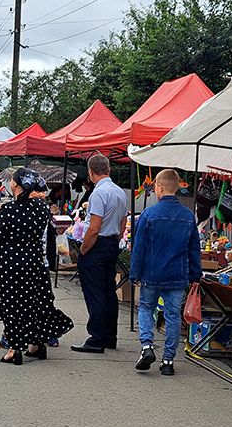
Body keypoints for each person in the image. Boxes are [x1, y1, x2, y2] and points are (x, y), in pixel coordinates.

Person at [0, 168, 74, 366]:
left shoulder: (8, 211)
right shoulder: (41, 208)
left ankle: (14, 348)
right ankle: (37, 344)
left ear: (16, 184)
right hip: (35, 263)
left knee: (12, 304)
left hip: (10, 264)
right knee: (36, 302)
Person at [129, 170, 201, 376]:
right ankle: (168, 360)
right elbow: (194, 249)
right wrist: (195, 276)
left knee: (145, 308)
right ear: (177, 187)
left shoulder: (149, 214)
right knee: (172, 316)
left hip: (151, 274)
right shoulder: (188, 216)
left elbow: (139, 247)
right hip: (177, 275)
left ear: (158, 187)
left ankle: (147, 346)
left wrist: (134, 273)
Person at [71, 154, 127, 354]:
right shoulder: (120, 192)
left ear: (91, 172)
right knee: (109, 291)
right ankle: (109, 335)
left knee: (95, 293)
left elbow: (94, 227)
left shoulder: (98, 193)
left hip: (98, 243)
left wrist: (84, 250)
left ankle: (96, 337)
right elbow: (122, 223)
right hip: (112, 242)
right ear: (109, 170)